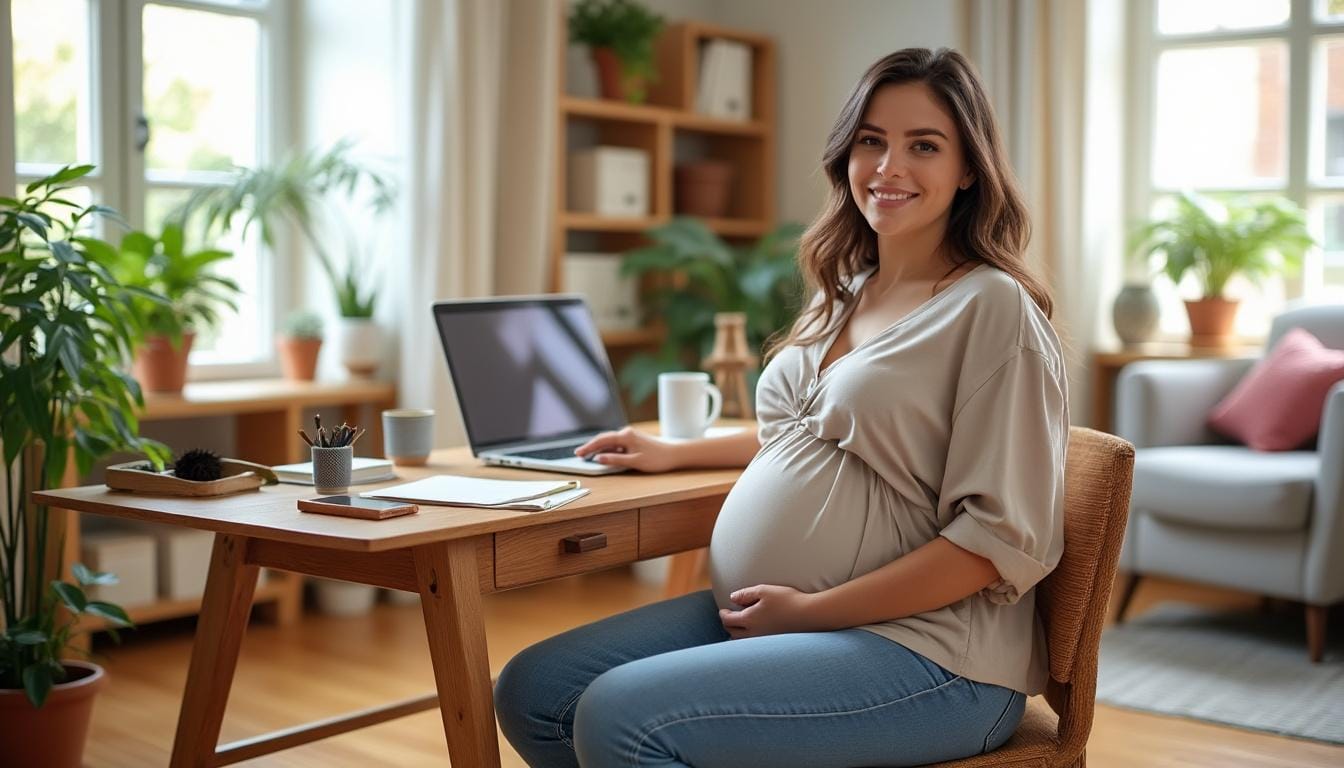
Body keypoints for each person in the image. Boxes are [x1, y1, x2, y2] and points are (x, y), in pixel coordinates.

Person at [494, 47, 1068, 768]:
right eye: (871, 141)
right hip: (788, 619)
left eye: (923, 145)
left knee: (621, 719)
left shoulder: (992, 308)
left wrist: (812, 611)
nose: (889, 167)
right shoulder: (849, 289)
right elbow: (814, 434)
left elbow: (997, 540)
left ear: (968, 170)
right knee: (535, 690)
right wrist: (676, 451)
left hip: (933, 654)